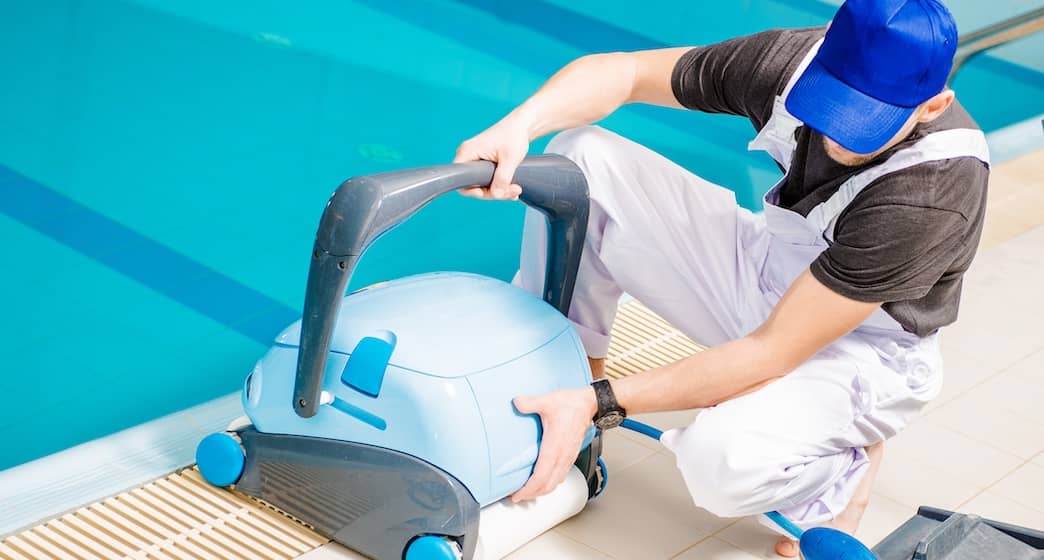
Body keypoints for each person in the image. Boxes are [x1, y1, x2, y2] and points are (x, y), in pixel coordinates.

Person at [453, 0, 990, 556]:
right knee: (582, 159)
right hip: (768, 269)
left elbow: (771, 351)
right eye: (829, 103)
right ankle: (561, 378)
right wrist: (517, 127)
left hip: (856, 349)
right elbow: (624, 72)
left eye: (864, 121)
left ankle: (837, 473)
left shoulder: (930, 195)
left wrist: (603, 401)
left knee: (720, 463)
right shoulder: (788, 63)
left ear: (933, 105)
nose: (837, 132)